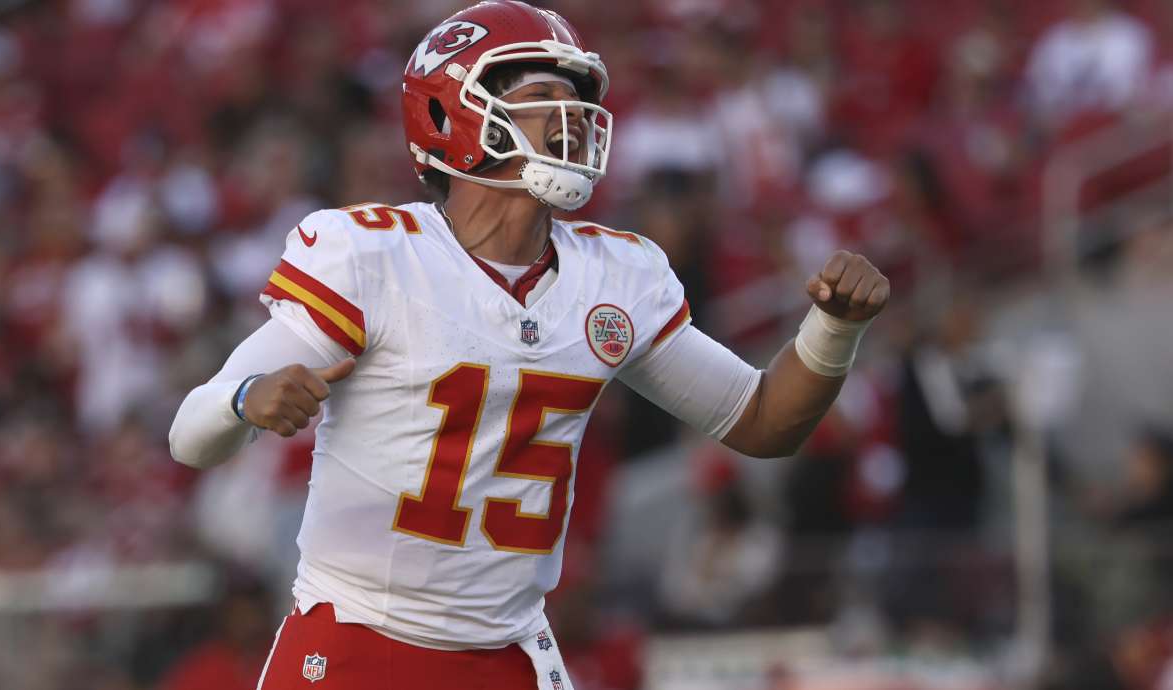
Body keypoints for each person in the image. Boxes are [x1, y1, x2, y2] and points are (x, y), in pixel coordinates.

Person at [168, 2, 890, 688]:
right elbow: (189, 436)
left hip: (507, 655)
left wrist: (833, 329)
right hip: (358, 642)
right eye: (542, 95)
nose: (571, 118)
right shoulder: (374, 258)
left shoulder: (615, 276)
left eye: (573, 99)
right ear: (451, 114)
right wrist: (243, 399)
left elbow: (763, 421)